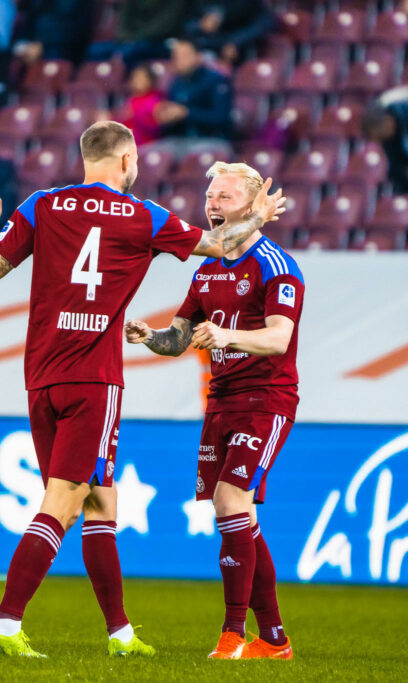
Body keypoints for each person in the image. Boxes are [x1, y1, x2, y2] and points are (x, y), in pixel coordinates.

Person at [0, 120, 284, 657]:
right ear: (126, 160)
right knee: (64, 502)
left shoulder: (42, 204)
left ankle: (121, 634)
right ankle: (5, 623)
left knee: (99, 503)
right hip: (94, 378)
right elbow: (218, 245)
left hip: (41, 374)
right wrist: (257, 215)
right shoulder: (144, 216)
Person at [125, 161, 302, 660]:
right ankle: (274, 639)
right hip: (221, 401)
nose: (212, 204)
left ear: (251, 204)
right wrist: (151, 337)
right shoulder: (207, 268)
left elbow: (279, 337)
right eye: (210, 197)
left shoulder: (276, 265)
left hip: (266, 399)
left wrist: (229, 336)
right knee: (239, 516)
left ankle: (232, 634)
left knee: (230, 504)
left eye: (223, 197)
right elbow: (179, 337)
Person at [152, 38, 234, 158]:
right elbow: (169, 126)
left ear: (199, 57)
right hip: (179, 141)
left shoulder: (216, 80)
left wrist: (186, 113)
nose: (179, 60)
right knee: (144, 156)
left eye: (184, 55)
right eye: (176, 56)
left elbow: (222, 118)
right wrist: (166, 117)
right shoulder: (176, 83)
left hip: (211, 140)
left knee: (195, 157)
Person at [184, 0, 275, 65]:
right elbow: (187, 22)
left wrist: (236, 41)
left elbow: (266, 21)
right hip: (204, 46)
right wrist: (200, 25)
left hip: (237, 49)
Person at [122, 64, 165, 147]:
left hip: (147, 146)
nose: (137, 80)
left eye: (141, 78)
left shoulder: (155, 99)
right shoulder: (131, 100)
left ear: (150, 81)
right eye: (135, 77)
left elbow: (153, 126)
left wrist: (133, 115)